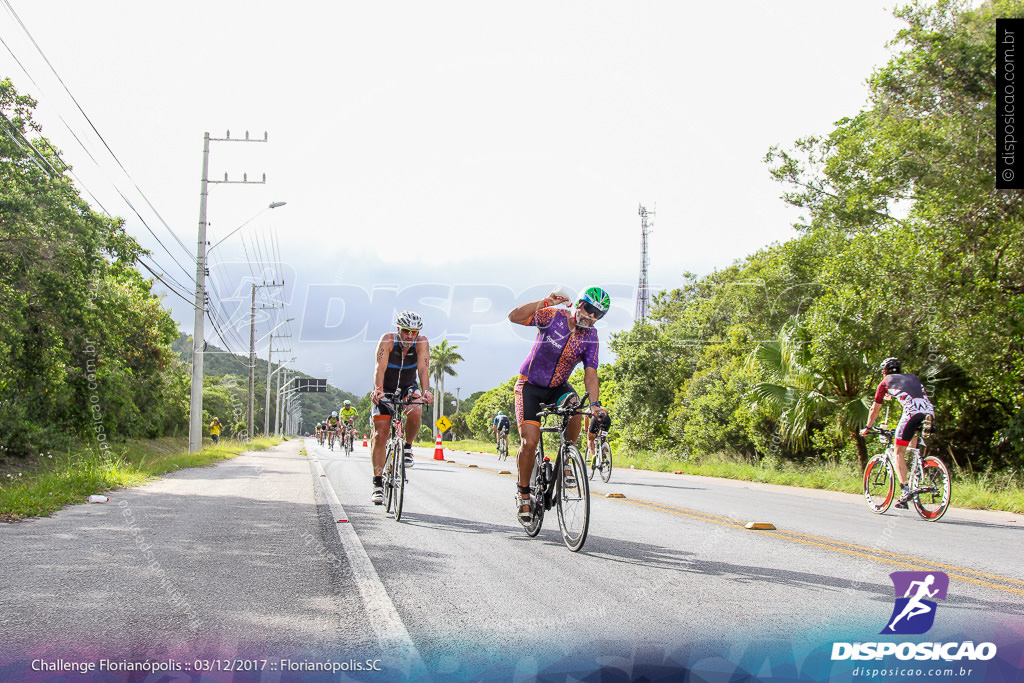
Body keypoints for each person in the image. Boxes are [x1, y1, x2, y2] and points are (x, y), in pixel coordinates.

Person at [508, 286, 611, 522]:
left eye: (598, 315)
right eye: (589, 309)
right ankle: (524, 494)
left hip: (557, 388)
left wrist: (594, 403)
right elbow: (514, 316)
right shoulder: (553, 316)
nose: (592, 317)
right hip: (529, 385)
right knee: (530, 441)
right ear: (579, 304)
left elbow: (591, 373)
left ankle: (567, 458)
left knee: (576, 406)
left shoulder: (590, 336)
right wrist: (545, 301)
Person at [369, 311, 434, 504]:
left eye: (413, 332)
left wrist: (426, 391)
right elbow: (379, 368)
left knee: (416, 409)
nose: (409, 335)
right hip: (385, 388)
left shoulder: (421, 342)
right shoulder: (388, 340)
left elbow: (423, 369)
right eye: (406, 331)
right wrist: (378, 390)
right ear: (399, 329)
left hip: (408, 386)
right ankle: (378, 483)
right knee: (380, 433)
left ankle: (406, 447)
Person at [860, 357, 935, 509]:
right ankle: (916, 476)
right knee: (912, 451)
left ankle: (905, 489)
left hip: (911, 413)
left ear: (884, 371)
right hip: (928, 411)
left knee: (898, 452)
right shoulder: (913, 377)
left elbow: (875, 409)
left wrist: (868, 428)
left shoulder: (885, 382)